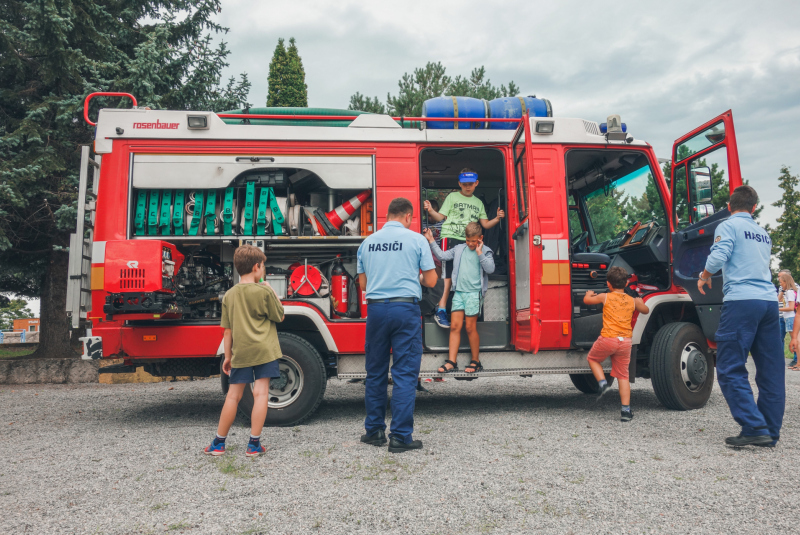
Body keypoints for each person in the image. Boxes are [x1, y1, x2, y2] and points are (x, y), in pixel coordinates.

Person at [697, 185, 784, 448]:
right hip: (769, 303)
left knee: (729, 366)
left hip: (742, 302)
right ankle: (769, 431)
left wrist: (704, 276)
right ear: (754, 207)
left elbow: (719, 256)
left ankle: (754, 427)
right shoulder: (763, 233)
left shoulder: (728, 225)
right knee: (771, 371)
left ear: (729, 206)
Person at [357, 197, 438, 453]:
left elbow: (363, 285)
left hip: (377, 310)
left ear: (388, 215)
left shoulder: (367, 242)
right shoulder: (417, 240)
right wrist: (414, 276)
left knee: (376, 372)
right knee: (404, 373)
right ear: (408, 217)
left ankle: (374, 431)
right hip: (405, 309)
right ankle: (401, 437)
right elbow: (432, 281)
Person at [204, 245, 285, 457]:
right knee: (261, 394)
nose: (264, 270)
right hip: (265, 351)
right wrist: (271, 289)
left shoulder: (229, 295)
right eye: (264, 266)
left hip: (241, 352)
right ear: (257, 267)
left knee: (233, 396)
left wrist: (228, 356)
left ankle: (219, 443)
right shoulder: (264, 291)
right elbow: (280, 316)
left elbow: (227, 331)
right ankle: (253, 445)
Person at [424, 168, 504, 328]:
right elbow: (442, 217)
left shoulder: (478, 203)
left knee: (468, 274)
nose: (468, 187)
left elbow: (485, 224)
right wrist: (431, 211)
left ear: (476, 183)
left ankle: (466, 311)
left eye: (471, 184)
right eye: (464, 184)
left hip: (469, 241)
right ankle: (441, 310)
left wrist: (497, 218)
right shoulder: (452, 197)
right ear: (459, 183)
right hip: (451, 237)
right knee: (447, 276)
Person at [424, 221, 495, 374]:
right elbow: (442, 255)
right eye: (468, 240)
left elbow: (490, 268)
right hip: (459, 294)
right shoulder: (458, 249)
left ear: (480, 238)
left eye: (474, 241)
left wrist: (479, 252)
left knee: (470, 327)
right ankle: (451, 362)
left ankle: (475, 361)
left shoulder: (486, 251)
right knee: (455, 327)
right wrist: (431, 240)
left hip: (473, 294)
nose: (470, 243)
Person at [583, 266, 649, 422]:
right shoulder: (632, 300)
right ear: (626, 284)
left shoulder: (605, 297)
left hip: (608, 339)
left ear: (609, 284)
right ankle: (625, 411)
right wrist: (639, 302)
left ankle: (603, 383)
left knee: (593, 359)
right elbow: (645, 310)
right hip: (625, 341)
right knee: (623, 375)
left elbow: (587, 301)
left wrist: (588, 294)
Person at [778, 271, 798, 369]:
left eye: (781, 282)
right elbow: (779, 299)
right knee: (795, 340)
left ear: (786, 282)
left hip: (790, 317)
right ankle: (798, 363)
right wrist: (782, 291)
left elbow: (790, 307)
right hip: (787, 317)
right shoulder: (787, 291)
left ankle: (797, 362)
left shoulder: (790, 292)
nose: (780, 285)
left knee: (795, 340)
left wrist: (777, 309)